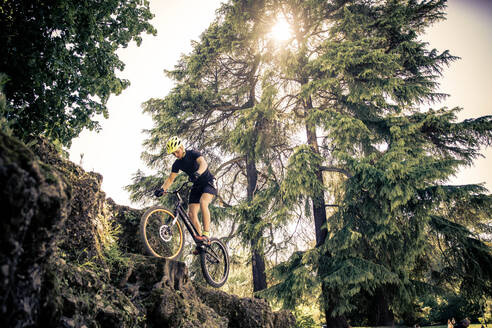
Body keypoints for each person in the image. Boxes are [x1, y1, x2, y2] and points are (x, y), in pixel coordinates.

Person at [154, 136, 217, 244]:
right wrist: (162, 189)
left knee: (203, 202)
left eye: (177, 152)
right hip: (197, 186)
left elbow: (203, 164)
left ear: (182, 147)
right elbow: (170, 179)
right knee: (191, 214)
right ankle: (201, 243)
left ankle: (206, 234)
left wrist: (198, 173)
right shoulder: (177, 163)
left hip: (208, 182)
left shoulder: (193, 153)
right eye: (173, 154)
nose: (176, 155)